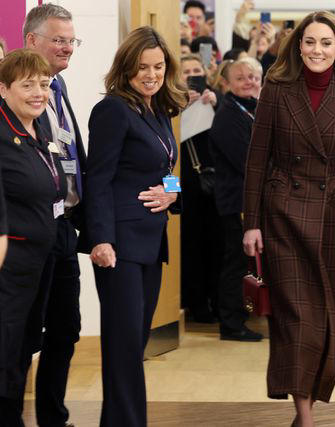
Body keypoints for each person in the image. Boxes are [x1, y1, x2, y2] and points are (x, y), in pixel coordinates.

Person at [242, 11, 335, 426]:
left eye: (326, 43)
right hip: (282, 213)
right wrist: (251, 222)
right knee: (296, 318)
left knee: (325, 318)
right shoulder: (276, 90)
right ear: (298, 46)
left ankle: (306, 410)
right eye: (311, 42)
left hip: (331, 215)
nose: (318, 50)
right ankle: (306, 417)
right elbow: (256, 161)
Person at [81, 26, 186, 426]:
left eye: (158, 66)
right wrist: (101, 239)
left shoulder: (158, 109)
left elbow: (167, 165)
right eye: (142, 67)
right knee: (124, 345)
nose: (151, 74)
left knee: (134, 342)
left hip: (150, 241)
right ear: (126, 69)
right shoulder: (112, 110)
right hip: (119, 246)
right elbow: (99, 179)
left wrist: (172, 193)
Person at [23, 4, 85, 425]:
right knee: (24, 333)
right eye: (58, 39)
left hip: (64, 226)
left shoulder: (60, 90)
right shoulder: (15, 94)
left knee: (65, 329)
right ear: (32, 41)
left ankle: (53, 416)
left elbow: (72, 156)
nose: (67, 48)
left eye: (71, 41)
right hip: (28, 231)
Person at [0, 48, 67, 425]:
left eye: (43, 84)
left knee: (25, 347)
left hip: (41, 259)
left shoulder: (39, 126)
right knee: (6, 350)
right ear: (4, 88)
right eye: (28, 85)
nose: (39, 92)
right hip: (9, 263)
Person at [209, 58, 264, 342]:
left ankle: (244, 316)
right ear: (226, 84)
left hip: (253, 200)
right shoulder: (229, 115)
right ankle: (231, 323)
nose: (249, 81)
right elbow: (248, 162)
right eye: (241, 77)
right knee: (238, 263)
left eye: (254, 76)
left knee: (250, 263)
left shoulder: (254, 110)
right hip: (238, 202)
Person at [179, 53, 222, 324]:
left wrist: (217, 106)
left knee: (217, 246)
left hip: (215, 184)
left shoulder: (218, 101)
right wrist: (181, 108)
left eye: (197, 70)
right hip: (184, 185)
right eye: (187, 72)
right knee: (191, 246)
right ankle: (195, 303)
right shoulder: (170, 103)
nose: (192, 75)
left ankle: (217, 299)